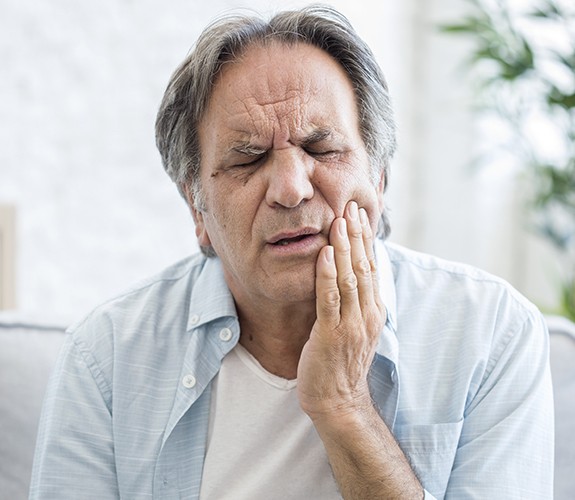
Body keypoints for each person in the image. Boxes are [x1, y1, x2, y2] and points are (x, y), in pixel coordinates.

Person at [29, 5, 554, 499]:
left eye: (322, 149)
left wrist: (344, 405)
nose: (290, 188)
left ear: (379, 176)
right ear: (197, 208)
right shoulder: (107, 356)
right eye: (248, 159)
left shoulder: (492, 334)